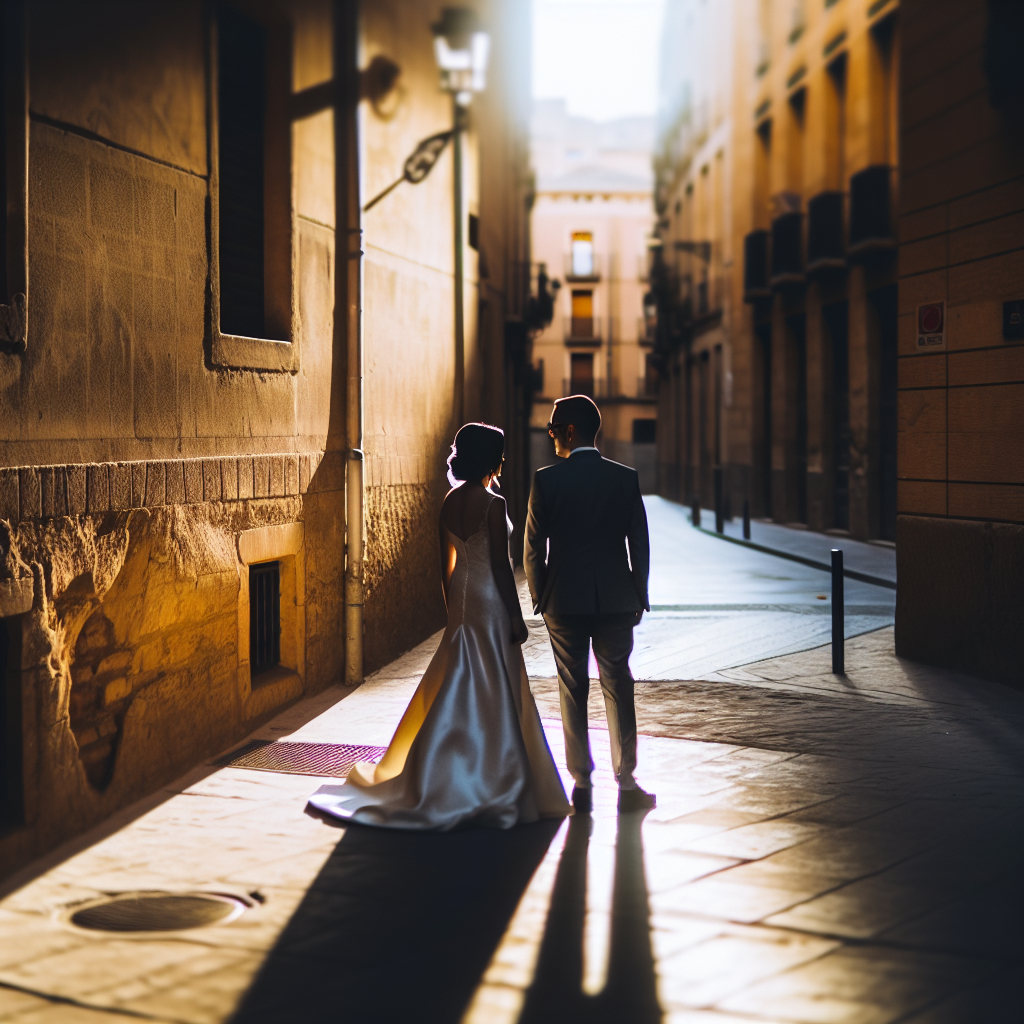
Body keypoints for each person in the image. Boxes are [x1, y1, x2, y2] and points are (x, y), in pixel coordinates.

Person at [308, 423, 570, 830]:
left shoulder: (449, 501)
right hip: (489, 596)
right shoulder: (493, 503)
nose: (504, 460)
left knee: (460, 673)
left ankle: (447, 765)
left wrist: (453, 613)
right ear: (490, 459)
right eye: (500, 454)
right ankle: (495, 776)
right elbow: (501, 568)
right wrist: (515, 617)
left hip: (463, 594)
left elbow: (444, 565)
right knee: (495, 679)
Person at [524, 395, 655, 814]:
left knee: (572, 686)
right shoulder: (624, 478)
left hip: (563, 600)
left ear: (569, 431)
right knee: (618, 684)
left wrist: (540, 595)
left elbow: (532, 548)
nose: (550, 435)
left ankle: (581, 782)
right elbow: (639, 542)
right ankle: (627, 782)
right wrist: (639, 592)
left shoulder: (546, 481)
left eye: (552, 428)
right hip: (616, 598)